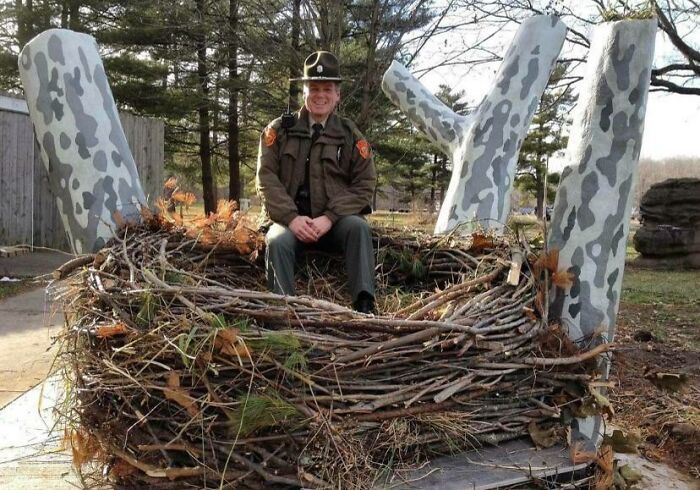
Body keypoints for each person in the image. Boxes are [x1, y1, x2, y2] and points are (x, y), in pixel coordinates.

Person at [256, 51, 377, 313]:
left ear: (337, 95)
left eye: (327, 89)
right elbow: (265, 178)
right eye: (314, 88)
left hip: (334, 224)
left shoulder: (349, 134)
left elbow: (365, 182)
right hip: (290, 223)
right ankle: (284, 311)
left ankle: (365, 305)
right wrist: (291, 218)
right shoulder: (279, 130)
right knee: (276, 241)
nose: (320, 95)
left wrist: (331, 217)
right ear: (304, 92)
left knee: (359, 228)